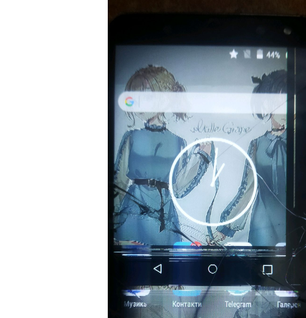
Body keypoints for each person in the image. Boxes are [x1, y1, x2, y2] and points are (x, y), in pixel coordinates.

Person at [113, 65, 213, 246]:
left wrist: (201, 157)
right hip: (132, 213)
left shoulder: (178, 142)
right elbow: (118, 183)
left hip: (164, 216)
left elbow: (179, 188)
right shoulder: (131, 137)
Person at [210, 70, 287, 246]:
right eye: (280, 102)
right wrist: (224, 229)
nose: (286, 108)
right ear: (266, 104)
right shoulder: (256, 144)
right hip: (263, 223)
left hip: (294, 222)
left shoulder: (301, 142)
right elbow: (248, 190)